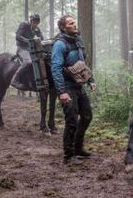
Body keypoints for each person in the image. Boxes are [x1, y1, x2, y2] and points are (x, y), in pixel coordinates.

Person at [51, 15, 97, 165]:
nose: (75, 24)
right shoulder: (59, 44)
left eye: (74, 22)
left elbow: (81, 63)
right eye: (71, 23)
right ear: (64, 27)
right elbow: (56, 68)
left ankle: (78, 148)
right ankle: (68, 156)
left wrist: (90, 80)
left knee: (87, 116)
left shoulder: (77, 41)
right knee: (71, 121)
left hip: (79, 85)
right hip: (67, 87)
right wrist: (62, 92)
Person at [11, 14, 44, 90]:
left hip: (30, 49)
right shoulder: (24, 25)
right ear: (31, 21)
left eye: (37, 22)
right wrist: (28, 41)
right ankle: (14, 80)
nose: (35, 23)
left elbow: (42, 38)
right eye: (34, 21)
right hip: (22, 48)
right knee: (28, 62)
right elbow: (18, 36)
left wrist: (41, 40)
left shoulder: (37, 29)